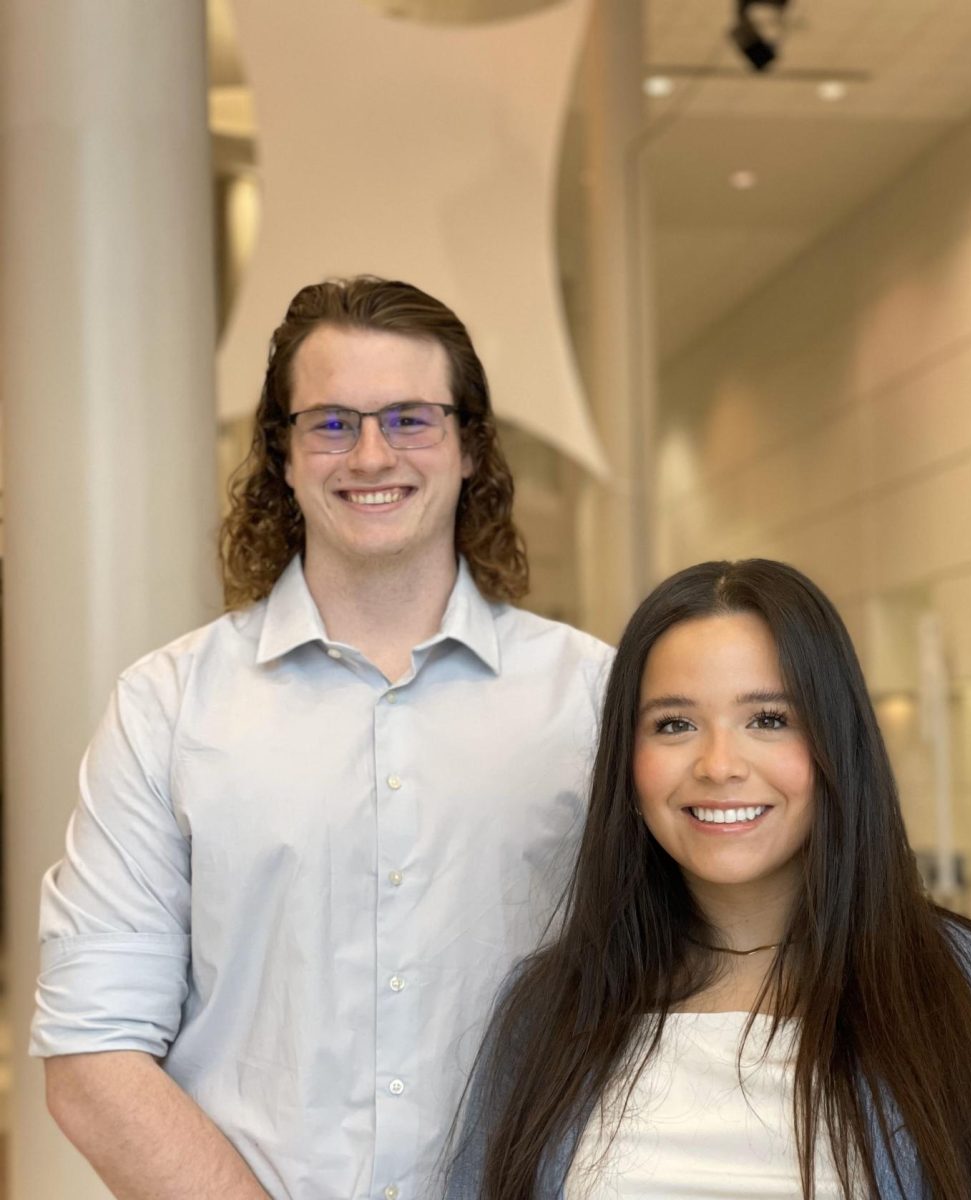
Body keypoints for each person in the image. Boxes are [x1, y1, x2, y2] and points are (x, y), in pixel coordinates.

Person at [32, 275, 612, 1200]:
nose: (371, 454)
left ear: (470, 448)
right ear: (285, 457)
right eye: (331, 422)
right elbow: (91, 1055)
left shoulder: (593, 698)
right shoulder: (167, 708)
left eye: (411, 419)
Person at [446, 559, 971, 1200]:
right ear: (627, 765)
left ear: (836, 742)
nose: (719, 765)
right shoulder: (551, 1008)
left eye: (768, 719)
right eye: (675, 724)